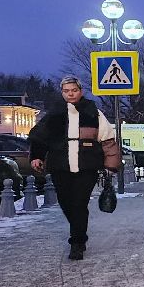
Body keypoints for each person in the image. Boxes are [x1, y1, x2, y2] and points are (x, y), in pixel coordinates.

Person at [28, 75, 119, 261]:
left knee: (79, 203)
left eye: (74, 90)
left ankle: (77, 243)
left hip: (87, 166)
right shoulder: (54, 114)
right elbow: (40, 138)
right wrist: (36, 156)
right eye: (66, 91)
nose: (71, 94)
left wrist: (111, 165)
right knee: (66, 203)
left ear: (81, 91)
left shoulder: (93, 111)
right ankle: (80, 233)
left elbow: (108, 139)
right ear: (62, 93)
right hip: (60, 165)